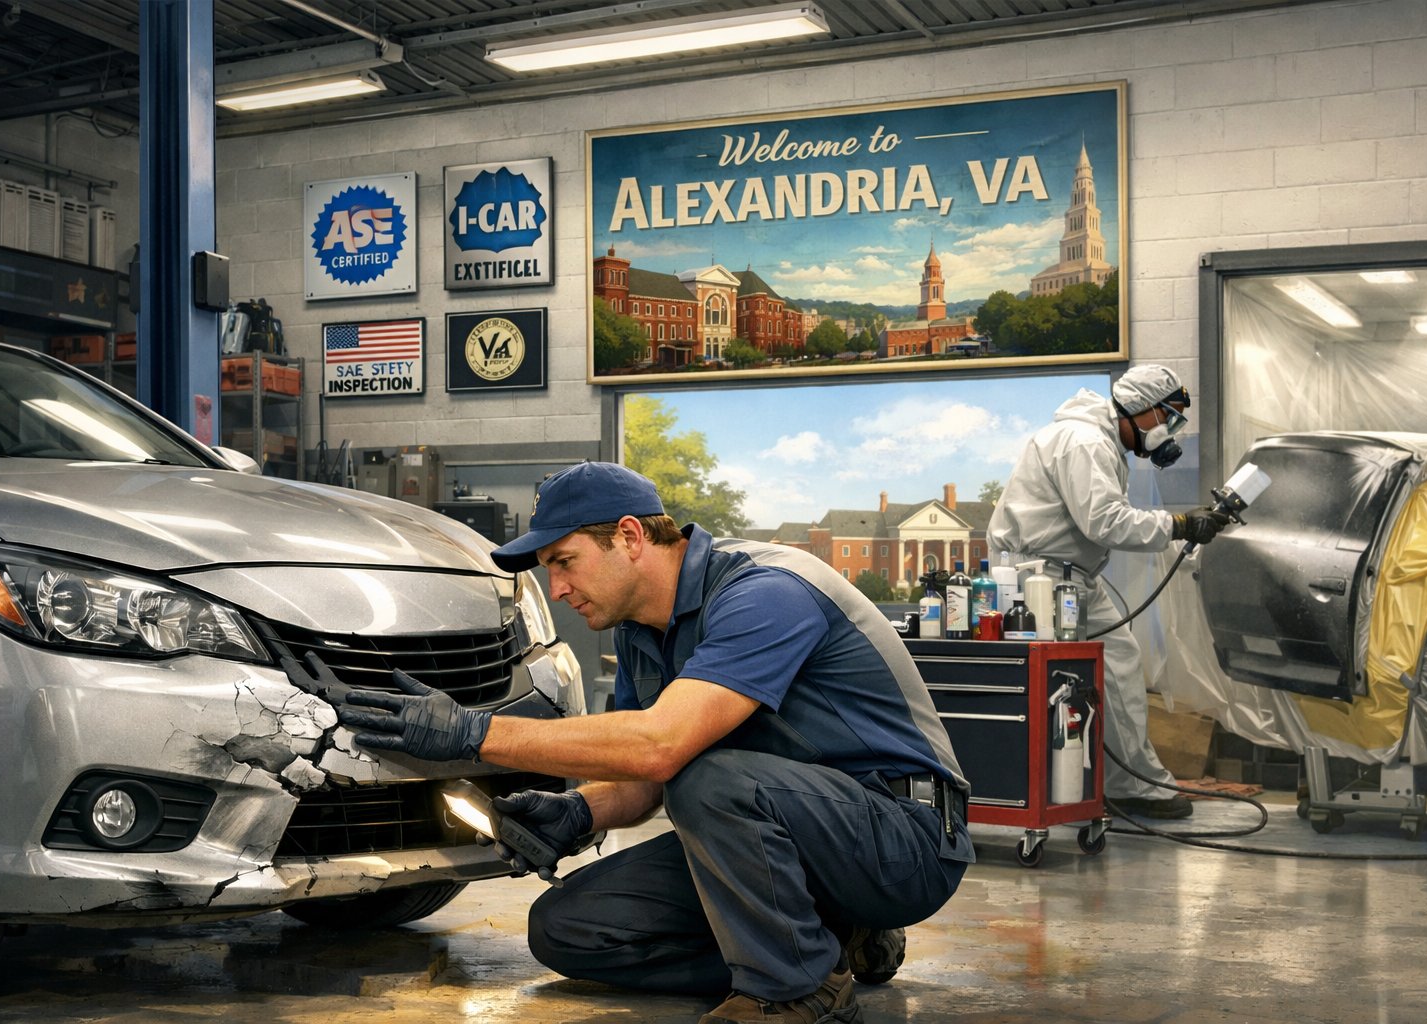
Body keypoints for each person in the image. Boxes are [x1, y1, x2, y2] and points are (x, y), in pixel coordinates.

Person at [296, 461, 972, 1024]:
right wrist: (578, 813)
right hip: (795, 843)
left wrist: (471, 733)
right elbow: (642, 776)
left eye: (564, 562)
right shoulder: (642, 632)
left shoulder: (767, 591)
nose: (557, 591)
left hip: (902, 842)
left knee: (710, 780)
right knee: (569, 927)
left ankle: (797, 992)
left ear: (629, 537)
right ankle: (827, 944)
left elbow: (662, 747)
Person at [987, 364, 1231, 820]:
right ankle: (1121, 786)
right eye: (1167, 418)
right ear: (1139, 409)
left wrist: (1175, 526)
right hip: (1041, 579)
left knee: (1117, 663)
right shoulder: (1084, 442)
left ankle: (1126, 784)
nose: (1169, 430)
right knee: (1093, 670)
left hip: (1066, 577)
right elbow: (1105, 520)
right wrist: (1178, 525)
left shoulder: (1094, 439)